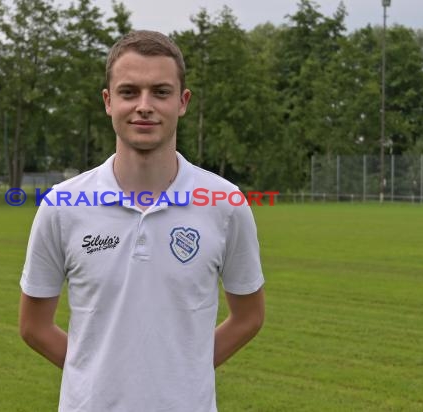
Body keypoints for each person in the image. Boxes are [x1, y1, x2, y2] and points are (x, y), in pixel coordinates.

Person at [19, 30, 265, 412]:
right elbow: (33, 326)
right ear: (108, 101)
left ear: (183, 102)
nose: (144, 106)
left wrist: (184, 372)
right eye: (130, 92)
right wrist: (95, 376)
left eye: (161, 92)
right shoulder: (62, 205)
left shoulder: (225, 203)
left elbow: (249, 317)